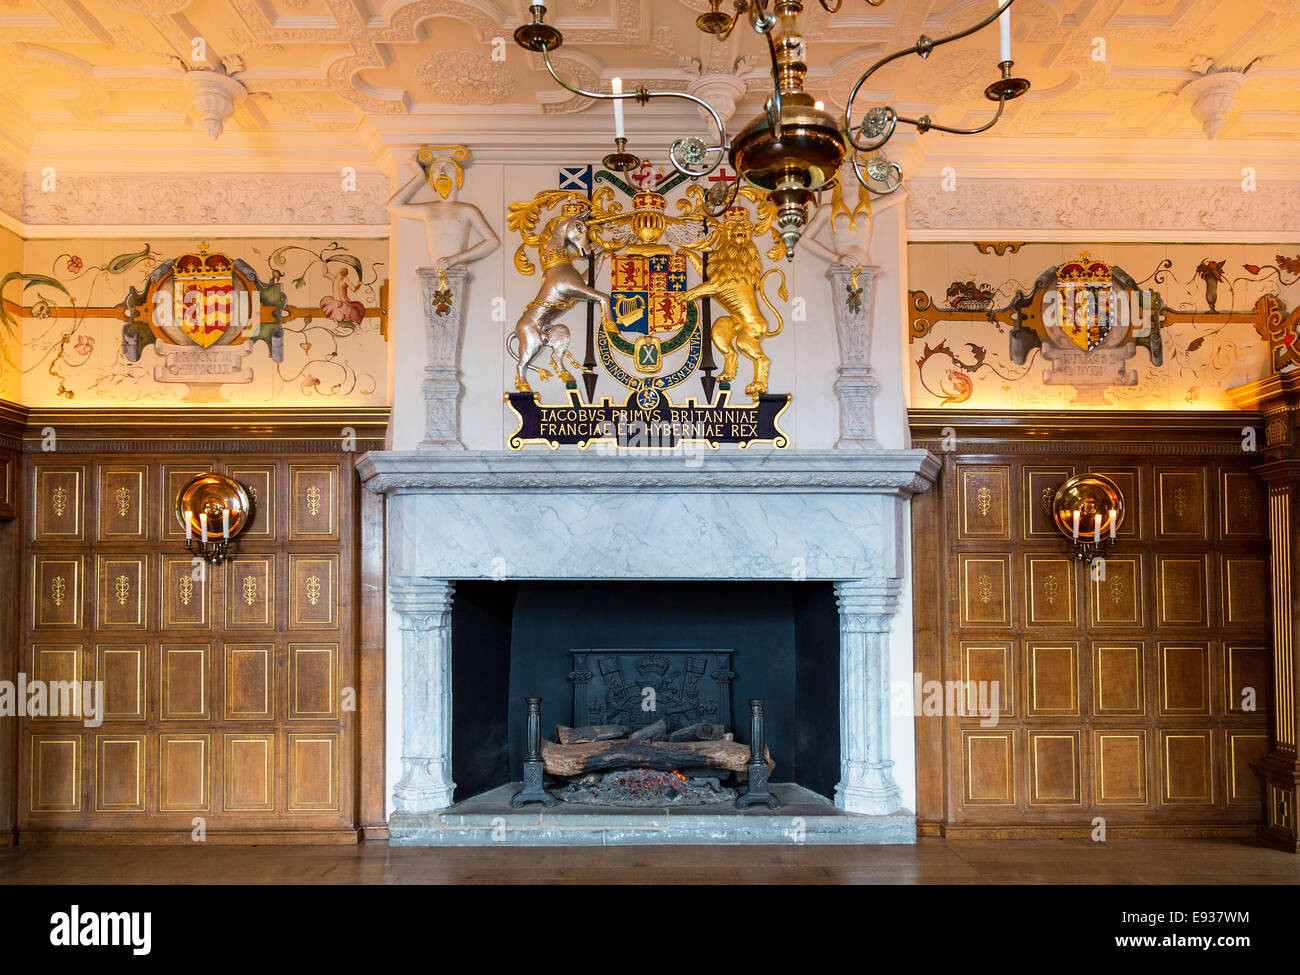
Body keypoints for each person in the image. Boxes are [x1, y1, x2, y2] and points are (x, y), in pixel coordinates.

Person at [385, 146, 500, 270]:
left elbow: (492, 242)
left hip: (458, 271)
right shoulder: (427, 209)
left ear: (458, 177)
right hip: (433, 274)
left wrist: (455, 259)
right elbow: (392, 206)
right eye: (435, 170)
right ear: (432, 178)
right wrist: (420, 177)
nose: (442, 173)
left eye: (449, 169)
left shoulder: (467, 210)